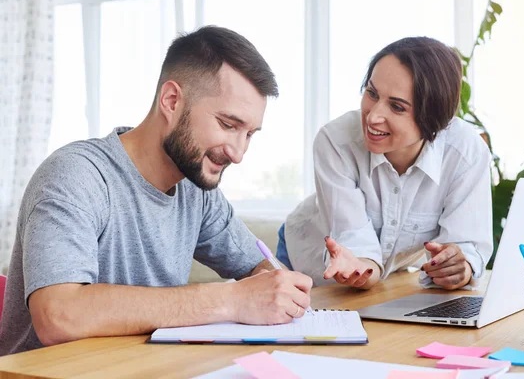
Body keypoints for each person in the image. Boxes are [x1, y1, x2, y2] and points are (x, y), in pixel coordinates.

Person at [0, 25, 312, 356]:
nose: (238, 153)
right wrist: (231, 300)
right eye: (228, 125)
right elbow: (58, 315)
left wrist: (278, 288)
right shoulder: (76, 176)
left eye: (249, 134)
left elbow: (258, 267)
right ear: (171, 100)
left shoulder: (197, 191)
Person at [277, 37, 493, 290]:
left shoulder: (465, 153)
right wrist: (360, 268)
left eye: (397, 107)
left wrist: (458, 266)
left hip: (385, 277)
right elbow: (354, 244)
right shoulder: (335, 141)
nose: (373, 116)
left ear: (434, 117)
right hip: (306, 261)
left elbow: (466, 246)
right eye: (372, 93)